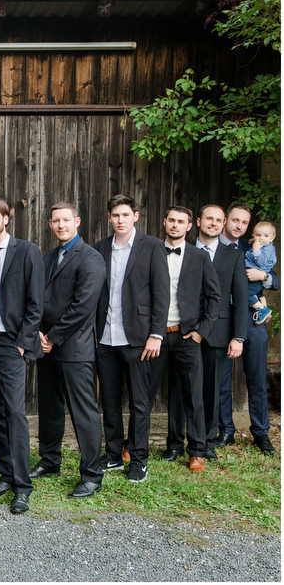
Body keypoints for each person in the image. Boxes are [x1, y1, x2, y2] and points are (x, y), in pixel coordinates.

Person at [94, 194, 170, 483]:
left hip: (139, 339)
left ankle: (138, 459)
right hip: (105, 338)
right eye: (115, 215)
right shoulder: (101, 247)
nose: (120, 220)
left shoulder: (151, 246)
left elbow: (161, 293)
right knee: (110, 401)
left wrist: (156, 334)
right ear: (109, 218)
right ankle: (113, 455)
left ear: (135, 216)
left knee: (139, 403)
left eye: (125, 214)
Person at [0, 195, 43, 515]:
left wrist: (22, 343)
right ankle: (5, 474)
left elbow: (36, 303)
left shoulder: (27, 251)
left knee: (14, 412)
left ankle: (22, 486)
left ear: (6, 218)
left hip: (9, 343)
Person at [34, 201, 106, 498]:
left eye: (66, 220)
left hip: (74, 349)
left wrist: (53, 337)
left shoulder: (91, 258)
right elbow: (38, 298)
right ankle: (50, 461)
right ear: (50, 224)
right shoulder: (49, 257)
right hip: (45, 347)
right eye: (56, 221)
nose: (61, 225)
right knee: (49, 408)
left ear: (77, 221)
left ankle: (92, 474)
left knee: (83, 413)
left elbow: (83, 306)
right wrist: (39, 334)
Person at [155, 206, 220, 472]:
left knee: (193, 395)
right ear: (164, 222)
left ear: (189, 226)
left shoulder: (199, 257)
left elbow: (214, 297)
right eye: (171, 220)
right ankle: (170, 446)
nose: (175, 225)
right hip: (156, 335)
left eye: (181, 221)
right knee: (146, 393)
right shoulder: (152, 251)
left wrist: (202, 331)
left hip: (187, 336)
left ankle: (196, 451)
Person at [217, 203, 279, 455]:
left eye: (244, 222)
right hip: (222, 320)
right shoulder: (212, 247)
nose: (239, 226)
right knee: (221, 378)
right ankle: (225, 430)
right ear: (225, 221)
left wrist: (264, 277)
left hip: (252, 319)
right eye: (235, 220)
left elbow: (275, 280)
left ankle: (261, 433)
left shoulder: (253, 246)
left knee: (256, 377)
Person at [192, 204, 249, 460]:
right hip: (185, 330)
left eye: (218, 220)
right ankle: (178, 441)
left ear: (223, 223)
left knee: (212, 389)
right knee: (182, 387)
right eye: (209, 219)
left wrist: (238, 336)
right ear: (198, 221)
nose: (213, 223)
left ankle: (207, 441)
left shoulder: (233, 255)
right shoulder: (185, 249)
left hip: (219, 332)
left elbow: (240, 298)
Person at [243, 221, 276, 324]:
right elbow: (259, 240)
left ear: (272, 238)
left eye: (266, 236)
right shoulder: (263, 244)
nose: (261, 238)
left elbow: (261, 262)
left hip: (256, 277)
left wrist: (256, 250)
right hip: (253, 277)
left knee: (244, 293)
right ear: (253, 235)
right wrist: (254, 241)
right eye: (258, 235)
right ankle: (265, 311)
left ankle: (262, 309)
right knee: (258, 294)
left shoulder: (267, 249)